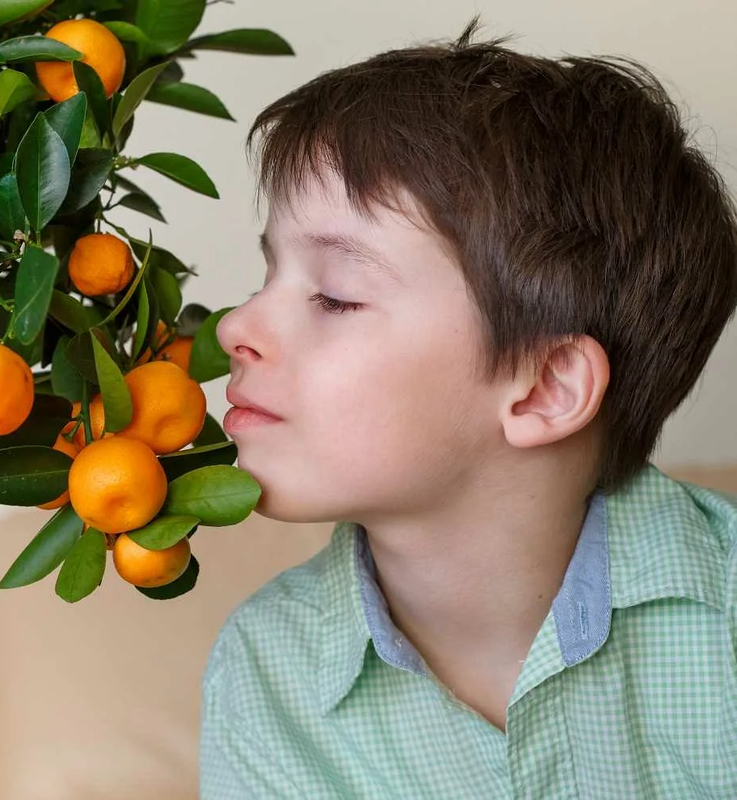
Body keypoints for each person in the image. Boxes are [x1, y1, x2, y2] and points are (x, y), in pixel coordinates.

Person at [200, 16, 737, 798]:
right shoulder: (267, 670)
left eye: (336, 296)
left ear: (547, 386)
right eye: (269, 276)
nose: (233, 327)